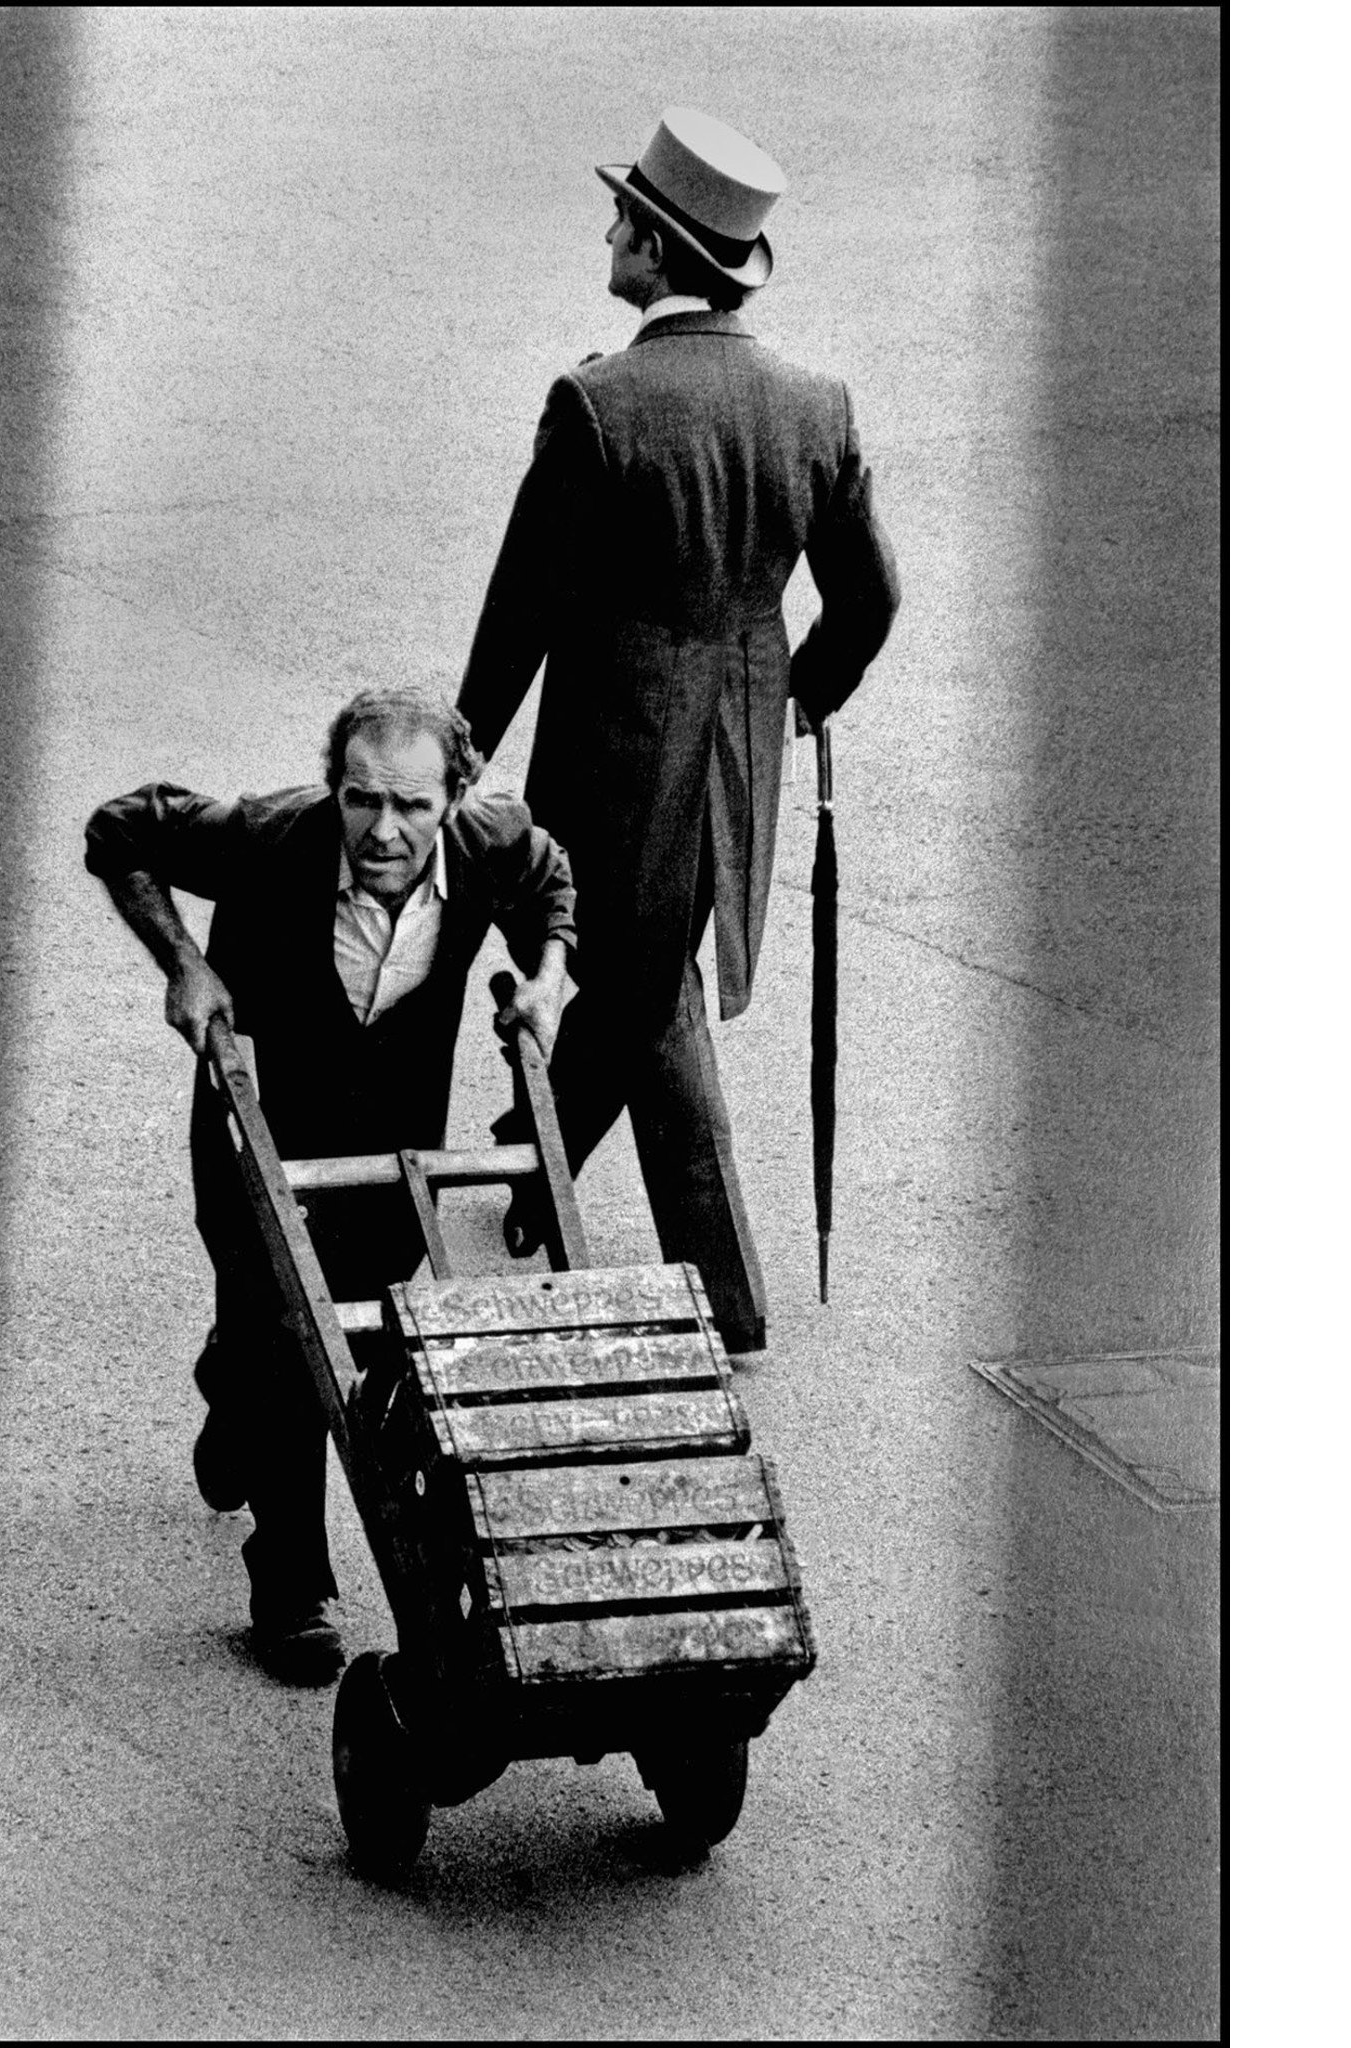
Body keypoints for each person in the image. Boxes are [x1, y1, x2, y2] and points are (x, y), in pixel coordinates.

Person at [457, 106, 901, 1355]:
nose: (607, 231)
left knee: (633, 984)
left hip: (609, 760)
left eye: (622, 219)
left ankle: (674, 1258)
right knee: (650, 980)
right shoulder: (815, 404)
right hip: (738, 755)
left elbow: (521, 611)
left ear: (656, 253)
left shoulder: (600, 404)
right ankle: (578, 1190)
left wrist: (455, 753)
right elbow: (868, 600)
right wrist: (796, 697)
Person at [84, 687, 574, 1681]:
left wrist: (548, 978)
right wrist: (184, 963)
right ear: (334, 786)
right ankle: (290, 1583)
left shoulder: (491, 843)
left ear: (456, 797)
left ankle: (234, 1383)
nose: (381, 830)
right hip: (256, 1121)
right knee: (280, 1327)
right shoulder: (267, 838)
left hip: (392, 1144)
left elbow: (546, 880)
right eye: (360, 800)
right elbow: (118, 832)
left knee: (361, 1330)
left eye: (411, 806)